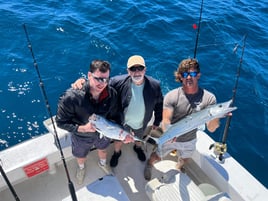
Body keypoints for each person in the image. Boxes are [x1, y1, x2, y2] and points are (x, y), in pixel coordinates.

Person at [72, 55, 163, 168]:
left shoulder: (155, 85)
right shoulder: (117, 81)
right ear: (128, 71)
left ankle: (138, 148)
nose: (137, 72)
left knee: (138, 138)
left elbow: (159, 104)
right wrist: (83, 82)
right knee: (118, 141)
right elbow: (100, 83)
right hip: (121, 123)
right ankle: (117, 152)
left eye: (140, 68)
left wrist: (157, 120)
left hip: (141, 123)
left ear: (145, 69)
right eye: (133, 69)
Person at [144, 58, 220, 180]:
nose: (189, 77)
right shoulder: (172, 96)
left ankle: (178, 167)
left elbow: (211, 128)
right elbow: (166, 120)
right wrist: (168, 133)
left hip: (190, 140)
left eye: (193, 74)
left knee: (185, 158)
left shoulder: (209, 98)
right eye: (185, 74)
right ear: (180, 77)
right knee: (157, 156)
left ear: (198, 75)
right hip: (171, 138)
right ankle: (149, 164)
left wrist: (217, 115)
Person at [56, 60, 118, 185]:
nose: (103, 83)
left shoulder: (112, 94)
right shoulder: (70, 97)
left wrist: (123, 132)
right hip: (81, 137)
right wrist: (82, 129)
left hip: (103, 133)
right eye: (98, 79)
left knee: (103, 149)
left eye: (106, 79)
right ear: (89, 75)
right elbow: (60, 122)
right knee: (81, 156)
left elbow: (115, 116)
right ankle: (81, 168)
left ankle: (102, 163)